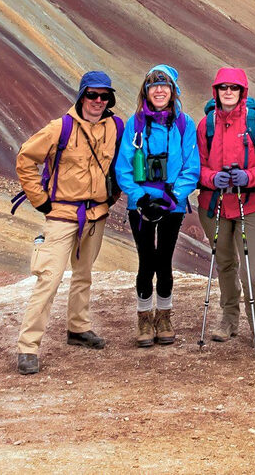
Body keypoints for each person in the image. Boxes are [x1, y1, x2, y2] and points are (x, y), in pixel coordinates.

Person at [15, 71, 122, 375]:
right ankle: (28, 346)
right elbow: (25, 158)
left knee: (84, 274)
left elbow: (121, 163)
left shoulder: (115, 127)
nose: (98, 101)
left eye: (104, 96)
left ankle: (78, 328)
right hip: (62, 214)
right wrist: (41, 200)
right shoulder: (59, 128)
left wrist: (113, 194)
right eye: (92, 95)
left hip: (96, 214)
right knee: (49, 278)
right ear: (81, 95)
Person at [116, 65, 200, 348]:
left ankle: (164, 317)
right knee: (145, 260)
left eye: (165, 86)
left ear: (174, 91)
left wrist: (172, 197)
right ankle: (143, 318)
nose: (160, 90)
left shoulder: (184, 124)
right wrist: (139, 196)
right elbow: (123, 166)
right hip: (139, 206)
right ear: (146, 91)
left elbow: (192, 167)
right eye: (154, 86)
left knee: (164, 260)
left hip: (171, 205)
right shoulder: (135, 124)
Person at [197, 67, 255, 350]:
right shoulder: (206, 125)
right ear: (216, 91)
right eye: (223, 87)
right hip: (214, 205)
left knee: (251, 270)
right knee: (225, 264)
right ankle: (228, 319)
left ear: (242, 91)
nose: (228, 92)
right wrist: (211, 178)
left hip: (250, 205)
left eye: (233, 87)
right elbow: (195, 166)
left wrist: (249, 177)